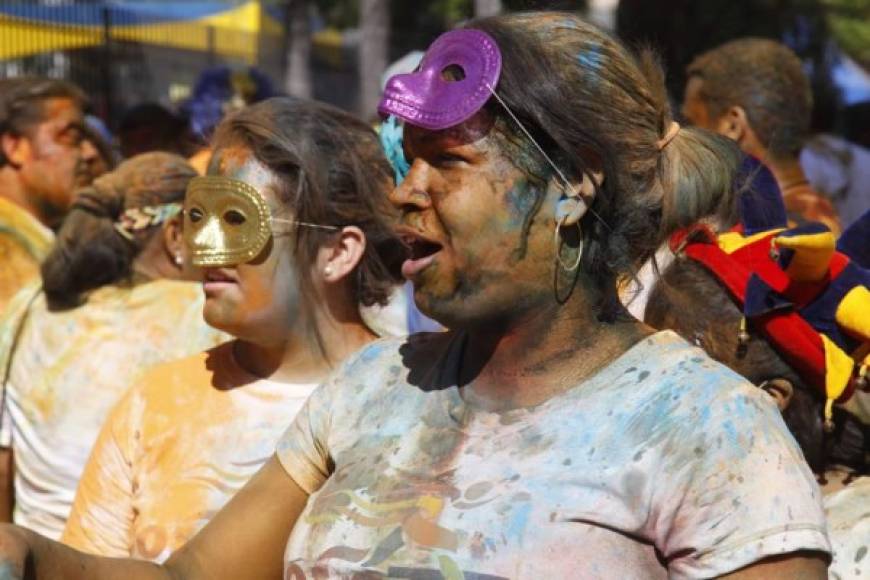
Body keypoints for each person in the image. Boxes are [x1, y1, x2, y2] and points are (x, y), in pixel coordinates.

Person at [0, 13, 830, 579]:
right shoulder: (373, 387)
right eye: (410, 159)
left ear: (573, 184)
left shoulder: (711, 431)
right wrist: (24, 556)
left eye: (449, 162)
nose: (404, 193)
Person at [61, 96, 405, 560]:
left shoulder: (410, 404)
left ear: (338, 252)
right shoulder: (156, 403)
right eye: (198, 217)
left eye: (237, 219)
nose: (207, 247)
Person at [645, 187, 869, 580]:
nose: (646, 388)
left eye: (680, 372)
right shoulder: (667, 502)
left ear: (768, 399)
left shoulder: (848, 547)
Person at [0, 152, 226, 540]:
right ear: (175, 235)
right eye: (208, 227)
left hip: (37, 560)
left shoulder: (30, 305)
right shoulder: (201, 315)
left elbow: (4, 465)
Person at [683, 38, 842, 234]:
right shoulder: (824, 224)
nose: (685, 142)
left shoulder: (758, 241)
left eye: (692, 124)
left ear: (733, 126)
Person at [0, 77, 97, 312]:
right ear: (15, 148)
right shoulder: (7, 254)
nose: (90, 152)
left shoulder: (34, 239)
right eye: (71, 136)